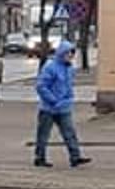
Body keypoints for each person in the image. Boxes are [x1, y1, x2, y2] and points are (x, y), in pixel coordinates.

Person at [34, 40, 91, 168]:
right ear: (62, 53)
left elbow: (68, 86)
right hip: (48, 108)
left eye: (72, 53)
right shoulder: (50, 67)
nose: (71, 56)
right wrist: (53, 100)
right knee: (43, 134)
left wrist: (69, 98)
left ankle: (75, 157)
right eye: (69, 53)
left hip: (63, 107)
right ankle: (39, 157)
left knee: (69, 133)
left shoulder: (69, 68)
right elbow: (41, 86)